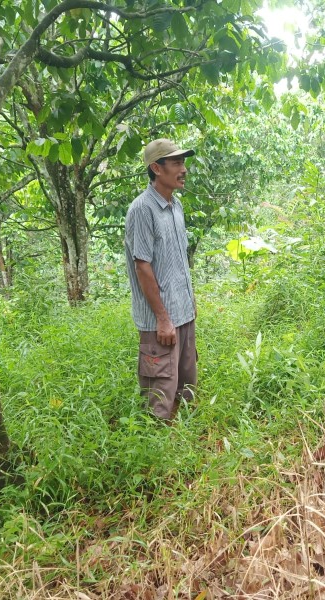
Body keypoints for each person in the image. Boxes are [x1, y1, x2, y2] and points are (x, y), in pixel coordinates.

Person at [125, 138, 198, 421]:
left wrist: (190, 303)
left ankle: (183, 443)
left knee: (185, 383)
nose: (184, 169)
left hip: (183, 313)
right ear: (156, 168)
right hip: (161, 321)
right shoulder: (142, 209)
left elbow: (177, 261)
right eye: (177, 163)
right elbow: (143, 267)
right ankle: (157, 452)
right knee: (160, 393)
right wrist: (163, 318)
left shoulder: (175, 206)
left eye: (183, 162)